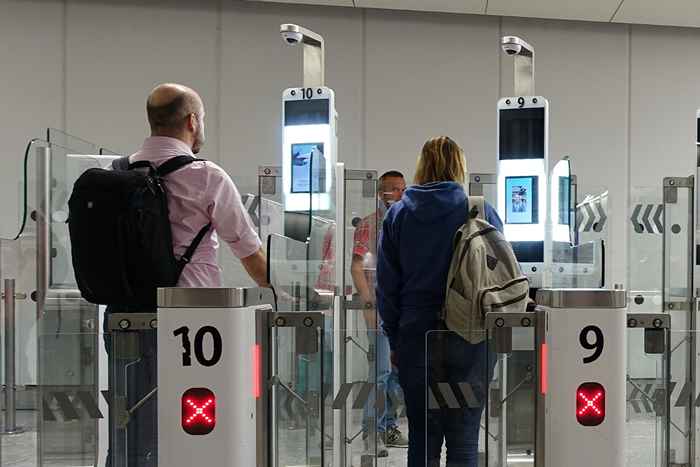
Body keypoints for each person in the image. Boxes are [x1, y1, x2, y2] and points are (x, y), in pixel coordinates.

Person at [105, 83, 268, 466]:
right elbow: (249, 251)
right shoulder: (206, 175)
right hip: (191, 320)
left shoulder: (116, 172)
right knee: (192, 422)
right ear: (192, 121)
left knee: (128, 413)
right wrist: (282, 295)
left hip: (123, 315)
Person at [376, 136, 503, 467]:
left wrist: (394, 338)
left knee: (423, 435)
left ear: (422, 166)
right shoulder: (480, 210)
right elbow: (500, 276)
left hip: (416, 336)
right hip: (472, 334)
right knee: (463, 437)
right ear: (459, 166)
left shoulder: (398, 215)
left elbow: (387, 287)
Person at [350, 171, 409, 455]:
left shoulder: (408, 223)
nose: (396, 195)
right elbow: (357, 267)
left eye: (401, 190)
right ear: (379, 193)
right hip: (380, 311)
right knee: (381, 372)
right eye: (390, 190)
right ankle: (370, 432)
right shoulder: (369, 225)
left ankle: (388, 427)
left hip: (402, 310)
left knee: (397, 373)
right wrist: (369, 304)